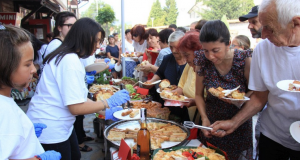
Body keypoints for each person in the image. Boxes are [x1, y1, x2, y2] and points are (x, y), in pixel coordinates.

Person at [26, 18, 130, 160]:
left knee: (75, 155)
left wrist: (103, 112)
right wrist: (107, 103)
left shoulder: (69, 56)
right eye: (97, 41)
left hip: (62, 126)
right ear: (85, 38)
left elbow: (79, 96)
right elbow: (75, 107)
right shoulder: (69, 60)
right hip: (50, 127)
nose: (98, 46)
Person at [210, 0, 300, 159]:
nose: (263, 35)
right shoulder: (263, 49)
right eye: (263, 26)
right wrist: (234, 122)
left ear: (296, 23)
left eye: (270, 28)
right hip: (273, 135)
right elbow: (259, 96)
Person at [0, 24, 61, 160]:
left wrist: (24, 131)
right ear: (6, 66)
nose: (33, 70)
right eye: (27, 64)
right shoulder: (3, 111)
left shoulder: (5, 101)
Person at [194, 20, 253, 160]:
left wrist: (239, 100)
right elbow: (198, 94)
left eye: (215, 51)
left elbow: (255, 92)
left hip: (239, 126)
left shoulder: (244, 60)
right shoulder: (202, 60)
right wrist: (204, 119)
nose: (210, 56)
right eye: (205, 50)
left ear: (228, 44)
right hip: (211, 126)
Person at [146, 31, 189, 123]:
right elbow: (159, 73)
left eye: (176, 47)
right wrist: (151, 82)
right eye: (171, 47)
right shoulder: (167, 58)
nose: (173, 50)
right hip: (167, 105)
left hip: (185, 105)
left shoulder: (190, 62)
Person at [174, 31, 202, 121]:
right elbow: (181, 87)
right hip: (190, 116)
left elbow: (213, 100)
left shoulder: (207, 69)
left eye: (187, 55)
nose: (185, 59)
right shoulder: (188, 65)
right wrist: (170, 95)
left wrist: (195, 102)